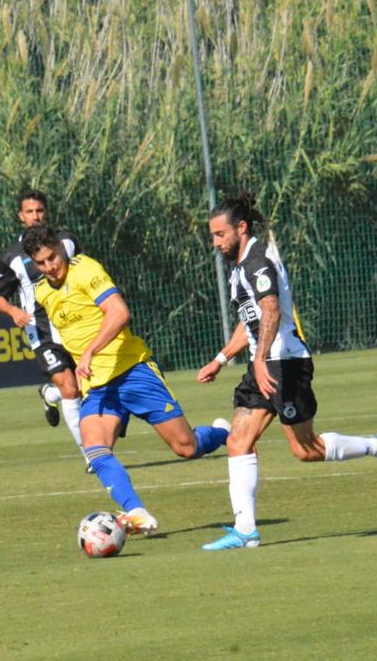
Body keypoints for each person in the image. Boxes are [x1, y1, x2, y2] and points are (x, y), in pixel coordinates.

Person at [197, 197, 377, 551]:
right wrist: (222, 359)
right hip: (263, 363)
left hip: (286, 364)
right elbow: (251, 319)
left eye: (220, 234)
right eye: (212, 236)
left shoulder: (258, 263)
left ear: (242, 228)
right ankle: (246, 530)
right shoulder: (239, 266)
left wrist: (260, 358)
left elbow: (270, 310)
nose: (216, 242)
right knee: (238, 441)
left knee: (306, 450)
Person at [23, 224, 230, 536]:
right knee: (94, 447)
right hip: (99, 387)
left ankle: (224, 433)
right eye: (41, 263)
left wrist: (91, 351)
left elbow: (119, 313)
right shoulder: (41, 292)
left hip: (133, 371)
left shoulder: (86, 269)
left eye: (53, 257)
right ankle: (136, 512)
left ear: (60, 248)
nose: (51, 267)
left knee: (186, 446)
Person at [0, 188, 90, 472]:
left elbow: (84, 272)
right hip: (42, 331)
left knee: (86, 386)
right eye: (29, 212)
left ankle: (50, 394)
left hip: (74, 324)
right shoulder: (12, 255)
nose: (35, 216)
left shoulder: (68, 241)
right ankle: (91, 456)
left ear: (46, 212)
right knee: (71, 387)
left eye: (40, 211)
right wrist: (13, 311)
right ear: (20, 216)